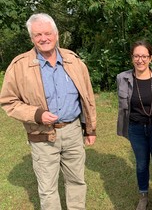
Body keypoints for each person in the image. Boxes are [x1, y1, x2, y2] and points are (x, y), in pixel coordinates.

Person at [0, 13, 96, 209]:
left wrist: (90, 128)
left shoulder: (73, 60)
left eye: (47, 33)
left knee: (77, 181)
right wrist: (37, 114)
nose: (43, 38)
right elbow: (8, 101)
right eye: (37, 35)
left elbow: (87, 96)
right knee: (48, 188)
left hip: (73, 131)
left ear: (56, 34)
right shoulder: (19, 66)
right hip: (42, 135)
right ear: (31, 38)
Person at [116, 40, 152, 210]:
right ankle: (143, 196)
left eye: (144, 56)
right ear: (132, 57)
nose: (140, 60)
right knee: (141, 164)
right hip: (136, 128)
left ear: (150, 58)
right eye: (136, 56)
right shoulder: (122, 78)